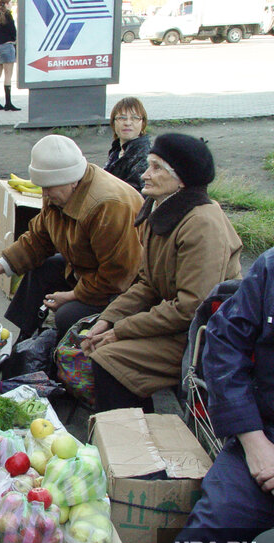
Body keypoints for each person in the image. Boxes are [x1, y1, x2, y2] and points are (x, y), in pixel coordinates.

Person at [82, 134, 242, 413]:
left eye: (157, 168)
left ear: (182, 179)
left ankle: (133, 442)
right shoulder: (162, 210)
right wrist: (107, 320)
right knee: (96, 341)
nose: (145, 174)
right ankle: (128, 434)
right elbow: (148, 284)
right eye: (148, 165)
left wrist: (122, 330)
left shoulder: (202, 224)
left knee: (110, 359)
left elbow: (192, 307)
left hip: (204, 336)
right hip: (176, 321)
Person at [0, 134, 144, 342]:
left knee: (67, 315)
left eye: (49, 187)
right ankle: (25, 342)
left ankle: (56, 363)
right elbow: (38, 239)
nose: (44, 193)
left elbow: (117, 277)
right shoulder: (58, 192)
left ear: (72, 181)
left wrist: (72, 296)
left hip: (122, 289)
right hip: (84, 270)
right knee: (40, 272)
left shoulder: (109, 206)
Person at [161, 249, 274, 543]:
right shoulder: (270, 268)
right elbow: (225, 344)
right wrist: (255, 445)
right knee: (206, 539)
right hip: (262, 439)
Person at [104, 97, 150, 192]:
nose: (128, 123)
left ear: (143, 123)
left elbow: (135, 193)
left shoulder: (144, 155)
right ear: (113, 123)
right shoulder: (117, 149)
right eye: (122, 118)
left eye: (135, 118)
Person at [0, 0, 19, 111]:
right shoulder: (7, 15)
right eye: (10, 2)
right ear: (6, 4)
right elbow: (13, 31)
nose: (11, 5)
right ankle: (8, 103)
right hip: (7, 46)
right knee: (8, 75)